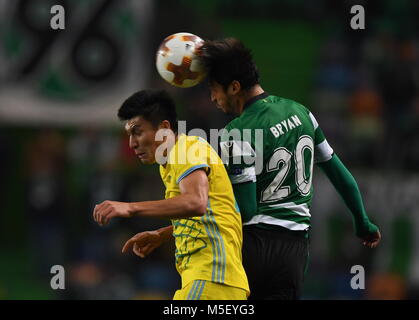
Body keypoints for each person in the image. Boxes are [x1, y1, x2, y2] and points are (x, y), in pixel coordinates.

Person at [197, 38, 381, 299]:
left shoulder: (234, 134)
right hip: (294, 250)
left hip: (253, 246)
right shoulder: (302, 113)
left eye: (214, 89)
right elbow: (340, 176)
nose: (212, 98)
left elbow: (247, 211)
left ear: (234, 87)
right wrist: (362, 221)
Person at [92, 89, 249, 300]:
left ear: (164, 129)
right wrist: (164, 234)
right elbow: (214, 210)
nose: (132, 143)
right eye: (129, 135)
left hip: (212, 278)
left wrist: (131, 207)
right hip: (214, 281)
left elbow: (196, 202)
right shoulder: (172, 161)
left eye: (138, 132)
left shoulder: (186, 149)